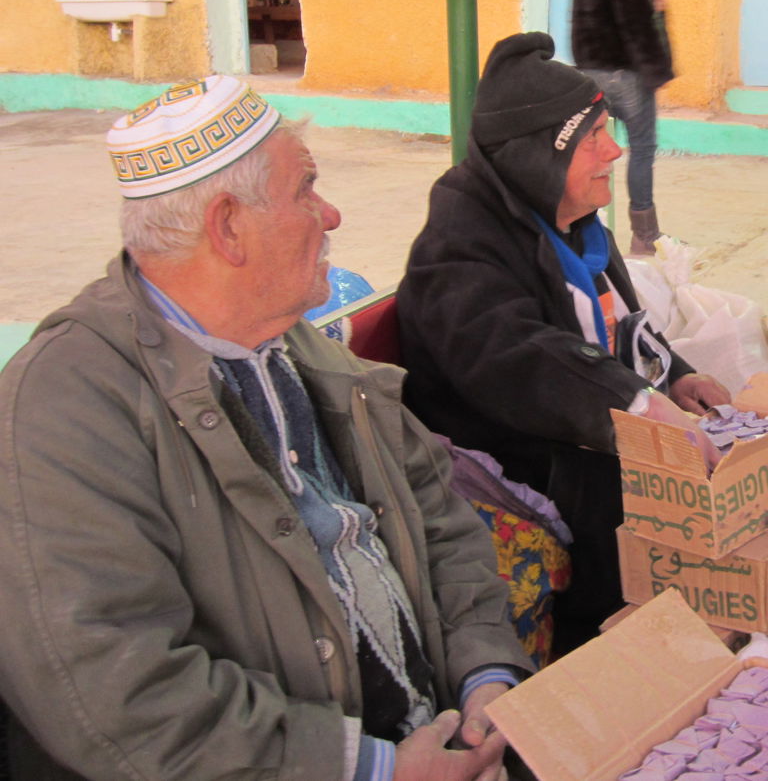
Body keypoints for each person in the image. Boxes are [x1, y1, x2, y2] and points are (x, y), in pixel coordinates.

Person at [0, 76, 534, 781]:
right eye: (306, 190)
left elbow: (437, 514)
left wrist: (483, 673)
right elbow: (114, 693)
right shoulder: (63, 407)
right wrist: (373, 770)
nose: (332, 213)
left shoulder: (295, 345)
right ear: (227, 227)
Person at [396, 32, 729, 655]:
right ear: (537, 157)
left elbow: (620, 325)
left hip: (572, 442)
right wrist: (637, 405)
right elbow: (516, 354)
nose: (615, 150)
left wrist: (677, 375)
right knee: (623, 497)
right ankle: (602, 664)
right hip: (509, 462)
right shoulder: (459, 246)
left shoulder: (572, 225)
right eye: (593, 136)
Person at [571, 0, 675, 256]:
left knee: (588, 150)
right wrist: (652, 62)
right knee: (642, 147)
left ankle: (581, 228)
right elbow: (628, 4)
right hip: (624, 65)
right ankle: (645, 236)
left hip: (591, 64)